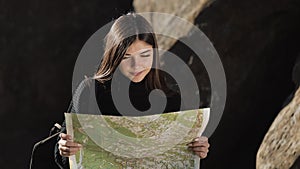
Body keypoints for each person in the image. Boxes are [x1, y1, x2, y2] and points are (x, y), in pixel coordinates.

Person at [55, 12, 210, 169]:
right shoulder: (90, 92)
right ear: (114, 56)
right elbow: (61, 153)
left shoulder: (172, 100)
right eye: (126, 57)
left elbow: (182, 159)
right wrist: (64, 149)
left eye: (144, 55)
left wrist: (198, 149)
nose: (137, 65)